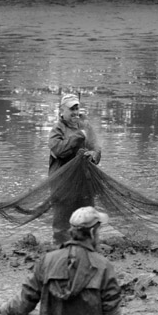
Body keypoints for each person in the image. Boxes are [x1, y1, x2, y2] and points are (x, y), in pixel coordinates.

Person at [49, 93, 101, 245]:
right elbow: (59, 150)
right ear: (62, 111)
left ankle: (88, 251)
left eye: (77, 108)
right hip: (63, 186)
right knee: (61, 227)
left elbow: (97, 148)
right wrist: (78, 136)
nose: (76, 112)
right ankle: (60, 251)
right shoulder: (57, 130)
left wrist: (93, 155)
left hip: (85, 183)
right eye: (72, 109)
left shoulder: (86, 126)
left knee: (88, 221)